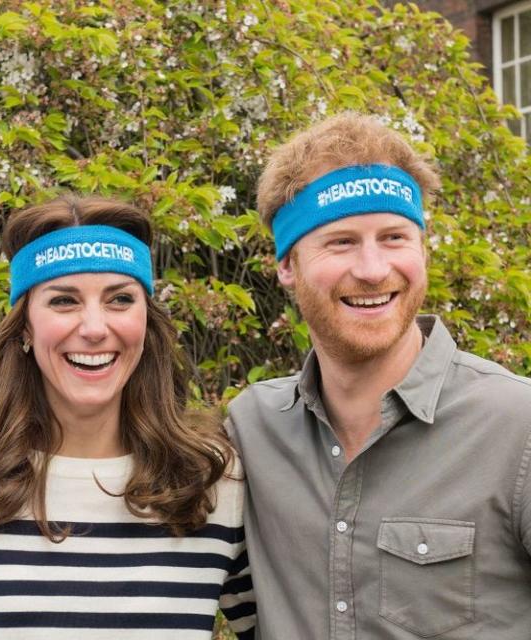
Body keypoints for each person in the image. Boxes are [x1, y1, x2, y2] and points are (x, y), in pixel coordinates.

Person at [0, 195, 256, 639]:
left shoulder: (212, 478)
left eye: (120, 299)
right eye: (64, 301)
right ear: (25, 325)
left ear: (146, 320)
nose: (96, 327)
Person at [226, 112, 531, 639]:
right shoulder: (252, 429)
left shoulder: (517, 427)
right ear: (287, 265)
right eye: (341, 241)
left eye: (393, 237)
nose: (372, 268)